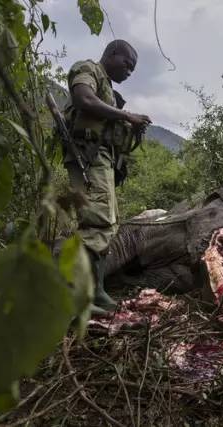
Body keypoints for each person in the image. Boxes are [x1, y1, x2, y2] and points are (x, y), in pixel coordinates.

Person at [64, 40, 151, 309]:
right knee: (95, 222)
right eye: (127, 65)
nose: (129, 72)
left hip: (103, 160)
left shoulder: (110, 91)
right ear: (112, 54)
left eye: (133, 69)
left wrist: (129, 127)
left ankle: (97, 291)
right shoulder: (88, 69)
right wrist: (126, 116)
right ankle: (81, 296)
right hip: (87, 157)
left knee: (108, 225)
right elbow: (84, 98)